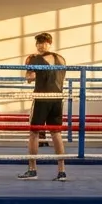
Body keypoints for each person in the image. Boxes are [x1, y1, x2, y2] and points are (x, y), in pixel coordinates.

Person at [18, 33, 67, 181]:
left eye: (43, 42)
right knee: (56, 133)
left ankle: (32, 170)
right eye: (39, 43)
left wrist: (29, 66)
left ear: (49, 43)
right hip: (57, 98)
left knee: (34, 133)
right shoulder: (61, 59)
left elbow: (29, 78)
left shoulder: (35, 58)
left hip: (41, 97)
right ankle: (62, 172)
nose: (41, 45)